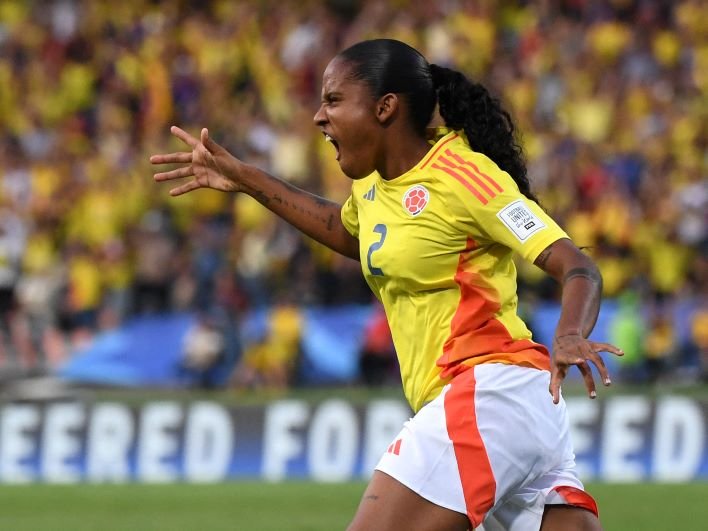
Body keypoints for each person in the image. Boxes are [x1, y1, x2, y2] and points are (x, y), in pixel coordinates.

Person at [151, 39, 623, 531]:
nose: (318, 117)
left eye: (333, 100)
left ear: (385, 107)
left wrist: (569, 333)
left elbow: (576, 265)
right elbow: (348, 232)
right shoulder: (372, 184)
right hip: (512, 412)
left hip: (488, 389)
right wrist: (247, 179)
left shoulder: (463, 176)